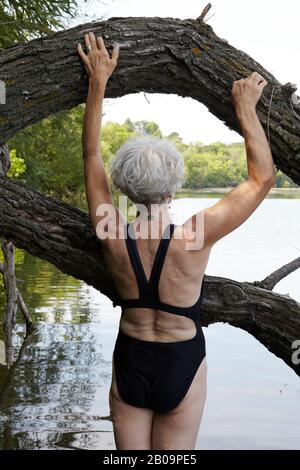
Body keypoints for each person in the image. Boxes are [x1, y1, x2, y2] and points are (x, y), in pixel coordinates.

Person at [77, 32, 276, 450]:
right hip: (180, 361)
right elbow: (262, 180)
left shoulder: (111, 232)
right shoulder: (193, 237)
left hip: (131, 357)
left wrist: (98, 83)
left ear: (125, 190)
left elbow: (91, 155)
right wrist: (245, 111)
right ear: (173, 189)